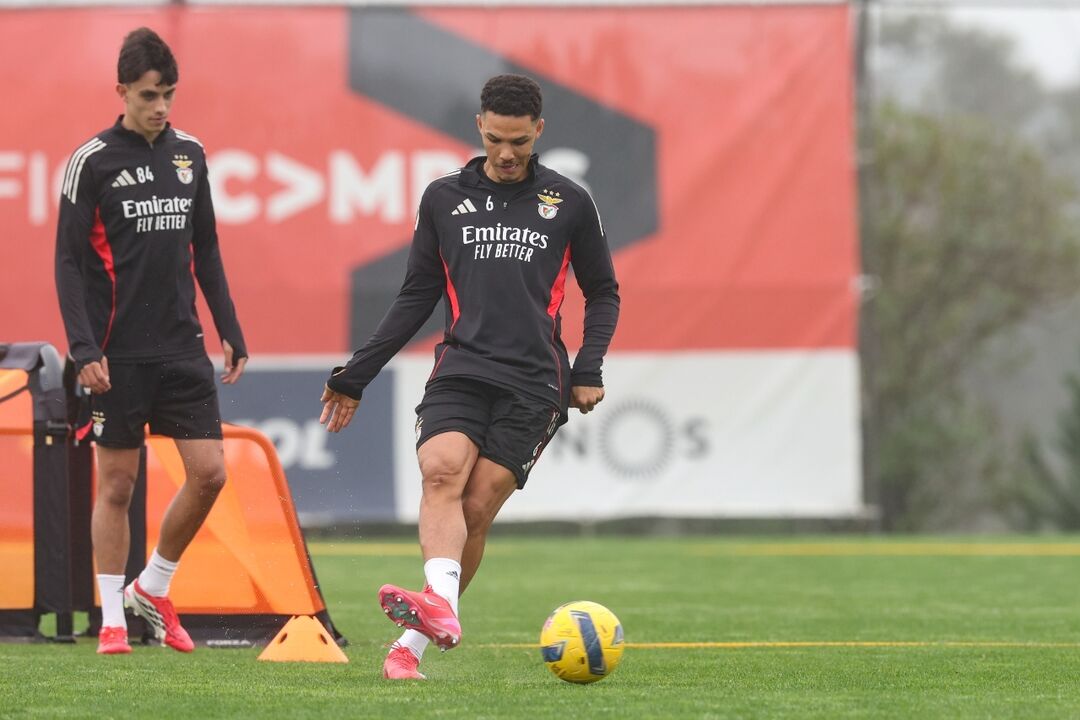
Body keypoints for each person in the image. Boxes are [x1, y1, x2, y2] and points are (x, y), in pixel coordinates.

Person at [320, 74, 620, 680]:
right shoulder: (442, 199)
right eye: (494, 140)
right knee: (441, 472)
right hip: (462, 366)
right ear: (478, 128)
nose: (506, 154)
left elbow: (604, 291)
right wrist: (358, 372)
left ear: (539, 131)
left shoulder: (569, 201)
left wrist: (587, 367)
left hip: (536, 382)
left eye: (518, 141)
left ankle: (414, 646)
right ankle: (438, 615)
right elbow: (416, 297)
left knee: (476, 509)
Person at [54, 27, 247, 655]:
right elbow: (67, 265)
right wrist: (84, 350)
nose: (160, 106)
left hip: (182, 349)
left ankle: (153, 586)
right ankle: (113, 618)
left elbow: (208, 248)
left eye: (168, 94)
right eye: (147, 95)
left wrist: (230, 327)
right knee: (117, 486)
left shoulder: (190, 153)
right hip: (116, 354)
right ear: (120, 92)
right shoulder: (90, 162)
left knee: (211, 475)